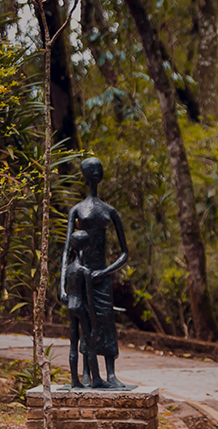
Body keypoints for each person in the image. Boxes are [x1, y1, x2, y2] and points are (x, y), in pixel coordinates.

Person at [60, 157, 129, 389]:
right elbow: (66, 250)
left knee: (106, 321)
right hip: (81, 276)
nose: (97, 173)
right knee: (85, 325)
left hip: (101, 276)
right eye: (92, 170)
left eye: (100, 169)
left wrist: (106, 271)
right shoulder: (77, 210)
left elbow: (124, 253)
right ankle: (87, 373)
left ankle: (110, 373)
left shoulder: (109, 211)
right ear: (85, 175)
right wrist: (62, 286)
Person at [63, 230, 101, 388]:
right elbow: (90, 301)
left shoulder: (69, 269)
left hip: (70, 306)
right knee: (89, 342)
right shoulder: (84, 271)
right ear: (85, 248)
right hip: (80, 306)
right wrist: (95, 326)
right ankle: (97, 379)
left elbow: (66, 290)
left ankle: (74, 380)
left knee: (73, 344)